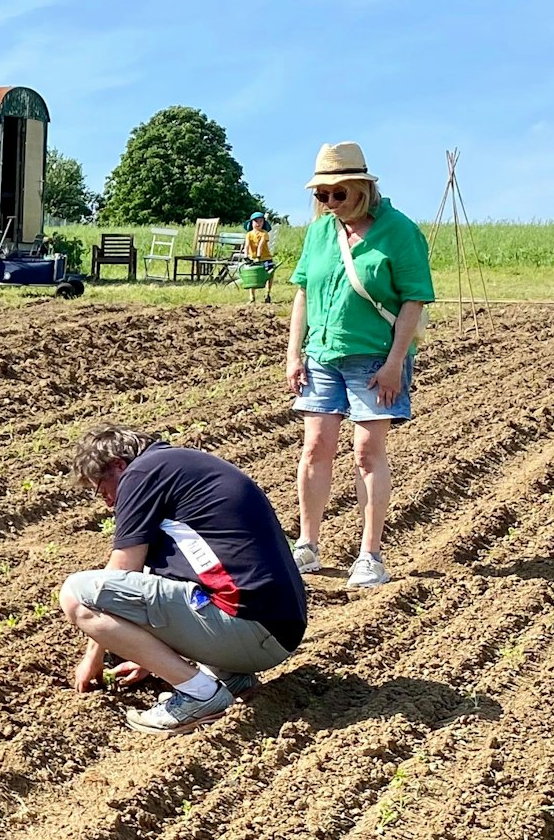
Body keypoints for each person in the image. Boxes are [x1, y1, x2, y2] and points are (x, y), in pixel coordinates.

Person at [60, 425, 307, 734]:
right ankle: (227, 676)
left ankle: (200, 694)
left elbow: (123, 570)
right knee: (148, 581)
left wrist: (93, 659)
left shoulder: (141, 474)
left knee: (78, 594)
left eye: (102, 489)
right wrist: (150, 656)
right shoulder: (182, 467)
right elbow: (174, 577)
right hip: (276, 631)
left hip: (249, 628)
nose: (109, 502)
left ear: (118, 466)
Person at [286, 142, 432, 589]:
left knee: (367, 453)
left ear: (362, 188)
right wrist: (294, 353)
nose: (329, 203)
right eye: (321, 196)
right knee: (315, 448)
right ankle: (307, 544)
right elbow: (304, 293)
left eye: (337, 194)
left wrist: (393, 364)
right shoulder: (320, 233)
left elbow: (413, 300)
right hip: (322, 355)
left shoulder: (399, 231)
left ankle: (370, 555)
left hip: (373, 360)